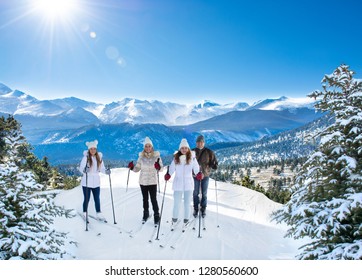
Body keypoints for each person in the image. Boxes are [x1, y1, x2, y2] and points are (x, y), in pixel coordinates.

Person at [164, 138, 202, 228]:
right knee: (176, 203)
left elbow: (196, 168)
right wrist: (168, 174)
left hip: (188, 183)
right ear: (180, 149)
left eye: (186, 148)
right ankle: (174, 219)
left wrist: (198, 173)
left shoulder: (192, 158)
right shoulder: (176, 159)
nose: (184, 150)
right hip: (178, 183)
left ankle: (186, 220)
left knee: (187, 203)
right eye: (182, 148)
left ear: (188, 149)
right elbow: (172, 168)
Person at [128, 137, 163, 225]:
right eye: (146, 146)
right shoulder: (141, 157)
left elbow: (161, 168)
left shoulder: (157, 157)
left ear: (152, 147)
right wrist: (132, 167)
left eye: (149, 146)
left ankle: (156, 215)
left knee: (153, 199)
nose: (148, 148)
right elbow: (137, 169)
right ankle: (146, 214)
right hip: (143, 181)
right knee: (145, 199)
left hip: (152, 181)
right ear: (144, 147)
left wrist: (158, 167)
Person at [79, 140, 110, 222]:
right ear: (89, 150)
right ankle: (85, 212)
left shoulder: (99, 158)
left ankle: (99, 213)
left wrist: (106, 171)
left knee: (97, 198)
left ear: (96, 149)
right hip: (86, 182)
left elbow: (101, 168)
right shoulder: (85, 158)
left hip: (96, 182)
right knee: (87, 198)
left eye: (94, 149)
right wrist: (85, 170)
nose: (93, 150)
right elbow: (81, 168)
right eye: (91, 149)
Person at [192, 135, 218, 218]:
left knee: (204, 193)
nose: (200, 143)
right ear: (196, 143)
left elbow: (214, 162)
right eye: (198, 142)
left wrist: (214, 165)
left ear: (204, 143)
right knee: (195, 193)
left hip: (205, 175)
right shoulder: (192, 152)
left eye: (201, 142)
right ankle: (196, 208)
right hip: (195, 175)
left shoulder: (209, 152)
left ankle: (203, 208)